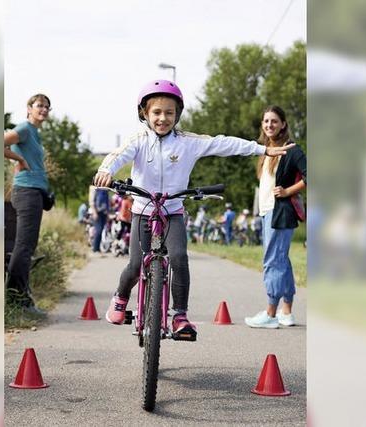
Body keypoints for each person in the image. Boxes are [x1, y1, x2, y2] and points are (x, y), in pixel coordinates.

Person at [93, 79, 294, 339]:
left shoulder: (188, 142)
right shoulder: (139, 140)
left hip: (173, 211)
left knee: (178, 257)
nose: (162, 118)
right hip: (143, 209)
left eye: (169, 113)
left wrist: (263, 149)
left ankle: (179, 315)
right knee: (134, 265)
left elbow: (225, 144)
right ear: (144, 113)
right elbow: (117, 155)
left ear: (177, 115)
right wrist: (105, 169)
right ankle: (120, 298)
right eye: (156, 112)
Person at [245, 105, 306, 329]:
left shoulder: (291, 149)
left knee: (272, 261)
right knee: (281, 260)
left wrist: (289, 191)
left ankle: (270, 313)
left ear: (283, 124)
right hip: (267, 211)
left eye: (274, 121)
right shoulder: (265, 150)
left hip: (280, 212)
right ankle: (286, 311)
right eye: (266, 121)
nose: (269, 125)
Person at [4, 93, 52, 314]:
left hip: (33, 193)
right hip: (27, 192)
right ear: (29, 109)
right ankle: (18, 299)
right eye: (39, 105)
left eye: (46, 107)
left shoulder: (34, 133)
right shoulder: (24, 129)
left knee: (25, 247)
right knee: (24, 247)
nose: (43, 109)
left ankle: (20, 295)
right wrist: (19, 160)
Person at [92, 187, 110, 253]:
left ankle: (98, 248)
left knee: (101, 230)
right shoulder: (97, 190)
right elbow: (93, 202)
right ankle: (95, 248)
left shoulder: (106, 192)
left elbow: (107, 203)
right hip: (98, 213)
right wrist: (94, 212)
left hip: (104, 213)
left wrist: (107, 214)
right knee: (98, 231)